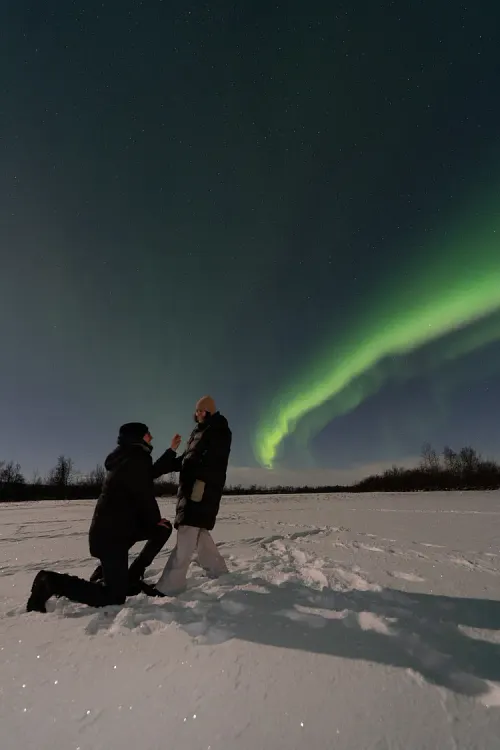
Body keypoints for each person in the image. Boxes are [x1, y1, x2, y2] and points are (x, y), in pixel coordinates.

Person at [26, 422, 181, 613]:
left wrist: (171, 451)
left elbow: (148, 475)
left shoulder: (128, 457)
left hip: (119, 530)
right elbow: (144, 494)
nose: (151, 437)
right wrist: (154, 520)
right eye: (147, 434)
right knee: (114, 597)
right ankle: (50, 582)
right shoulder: (135, 459)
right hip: (111, 536)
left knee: (162, 529)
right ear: (137, 438)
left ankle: (128, 577)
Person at [151, 396, 232, 596]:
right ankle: (219, 572)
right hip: (192, 488)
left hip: (201, 489)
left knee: (187, 533)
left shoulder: (218, 430)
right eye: (196, 411)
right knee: (199, 533)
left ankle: (170, 586)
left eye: (202, 411)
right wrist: (171, 453)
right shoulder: (198, 432)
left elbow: (214, 462)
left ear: (210, 412)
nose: (198, 414)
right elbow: (186, 460)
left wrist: (196, 476)